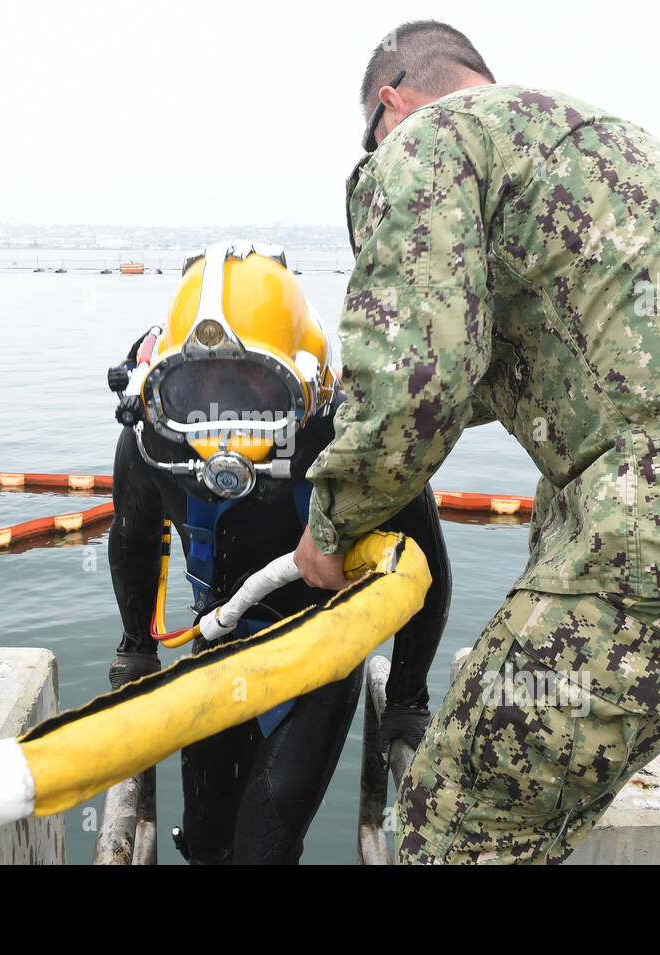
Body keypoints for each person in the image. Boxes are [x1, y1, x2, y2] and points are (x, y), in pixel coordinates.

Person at [293, 20, 660, 863]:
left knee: (461, 798)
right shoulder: (589, 142)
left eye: (371, 136)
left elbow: (414, 388)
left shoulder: (425, 142)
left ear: (392, 102)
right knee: (542, 765)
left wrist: (329, 527)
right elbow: (565, 378)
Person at [105, 242, 451, 864]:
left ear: (310, 383)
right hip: (218, 642)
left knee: (263, 846)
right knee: (207, 844)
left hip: (319, 654)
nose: (224, 415)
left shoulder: (355, 443)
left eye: (253, 388)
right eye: (199, 388)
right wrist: (136, 648)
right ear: (161, 382)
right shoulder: (153, 442)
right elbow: (131, 542)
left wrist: (405, 699)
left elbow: (426, 572)